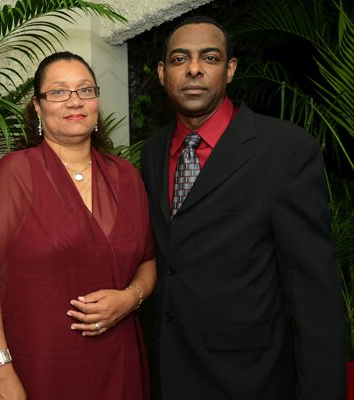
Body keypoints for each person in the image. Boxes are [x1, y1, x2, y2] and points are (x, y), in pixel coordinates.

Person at [141, 15, 345, 400]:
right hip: (167, 372)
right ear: (163, 72)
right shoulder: (154, 152)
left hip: (249, 378)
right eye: (180, 59)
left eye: (211, 58)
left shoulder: (285, 151)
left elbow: (315, 296)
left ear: (230, 69)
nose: (195, 69)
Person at [0, 51, 157, 400]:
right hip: (39, 366)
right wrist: (0, 369)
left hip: (120, 359)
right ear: (38, 108)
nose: (75, 101)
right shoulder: (13, 176)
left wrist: (130, 299)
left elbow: (148, 261)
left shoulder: (127, 177)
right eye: (58, 92)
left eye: (85, 90)